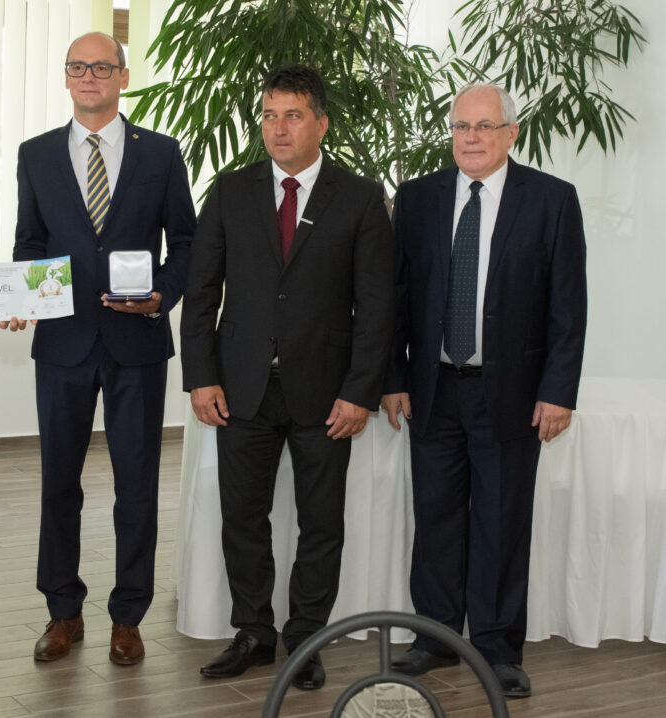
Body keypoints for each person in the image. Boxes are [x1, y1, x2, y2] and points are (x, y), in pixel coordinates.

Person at [181, 64, 396, 691]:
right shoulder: (231, 190)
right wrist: (200, 376)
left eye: (293, 116)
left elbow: (376, 306)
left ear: (321, 124)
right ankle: (253, 632)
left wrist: (359, 391)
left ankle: (306, 639)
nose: (278, 128)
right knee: (242, 518)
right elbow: (201, 292)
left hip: (326, 394)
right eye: (270, 115)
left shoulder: (359, 197)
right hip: (240, 388)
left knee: (320, 524)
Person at [381, 83, 588, 698]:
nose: (470, 138)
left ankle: (497, 649)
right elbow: (394, 298)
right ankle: (435, 638)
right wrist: (392, 378)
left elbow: (569, 306)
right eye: (460, 126)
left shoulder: (551, 199)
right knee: (436, 518)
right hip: (434, 389)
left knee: (501, 521)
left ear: (511, 133)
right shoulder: (417, 199)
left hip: (513, 393)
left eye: (484, 126)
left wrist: (558, 391)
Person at [1, 31, 195, 666]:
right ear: (65, 77)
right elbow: (30, 243)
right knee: (59, 482)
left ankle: (128, 616)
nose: (90, 76)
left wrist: (160, 296)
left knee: (136, 485)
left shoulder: (161, 154)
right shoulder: (35, 154)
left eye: (102, 67)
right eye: (78, 67)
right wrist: (22, 294)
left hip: (137, 342)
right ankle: (63, 611)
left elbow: (186, 245)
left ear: (123, 76)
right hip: (62, 342)